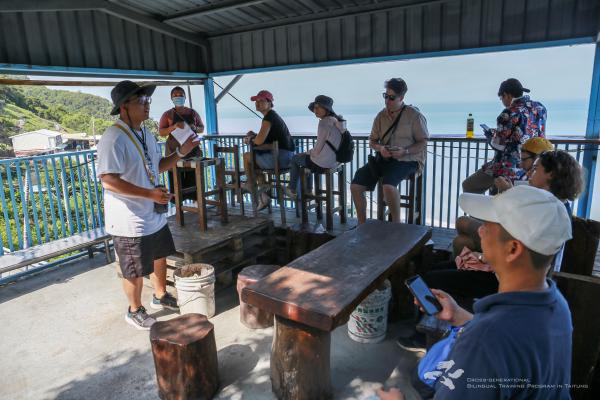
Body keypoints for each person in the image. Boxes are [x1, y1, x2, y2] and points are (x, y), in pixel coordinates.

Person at [378, 185, 573, 400]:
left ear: (513, 249)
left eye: (488, 225)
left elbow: (495, 343)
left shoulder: (483, 343)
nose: (479, 230)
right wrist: (461, 317)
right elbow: (513, 347)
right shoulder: (557, 306)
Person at [97, 81, 199, 330]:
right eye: (140, 101)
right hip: (129, 218)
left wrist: (182, 153)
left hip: (152, 211)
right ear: (124, 107)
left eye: (147, 100)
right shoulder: (113, 138)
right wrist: (149, 194)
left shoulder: (145, 133)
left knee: (160, 255)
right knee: (133, 268)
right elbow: (108, 180)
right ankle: (134, 310)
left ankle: (160, 295)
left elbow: (158, 165)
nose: (146, 105)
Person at [454, 137, 555, 256]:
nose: (521, 166)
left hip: (513, 245)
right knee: (460, 241)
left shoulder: (546, 198)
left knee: (462, 222)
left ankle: (479, 264)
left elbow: (521, 220)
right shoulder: (548, 194)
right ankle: (467, 266)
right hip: (511, 236)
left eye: (535, 169)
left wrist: (508, 193)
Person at [350, 78, 429, 224]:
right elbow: (372, 141)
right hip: (385, 159)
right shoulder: (380, 116)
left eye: (391, 97)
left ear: (401, 97)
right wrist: (380, 148)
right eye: (385, 96)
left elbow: (423, 142)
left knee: (388, 184)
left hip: (408, 160)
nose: (387, 100)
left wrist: (404, 151)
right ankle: (362, 225)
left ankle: (396, 226)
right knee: (355, 185)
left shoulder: (414, 115)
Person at [462, 78, 547, 194]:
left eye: (501, 97)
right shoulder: (540, 108)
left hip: (507, 168)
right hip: (532, 166)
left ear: (507, 95)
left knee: (469, 186)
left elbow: (499, 146)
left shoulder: (507, 113)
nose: (502, 101)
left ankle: (482, 211)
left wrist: (489, 136)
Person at [242, 90, 295, 210]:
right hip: (287, 157)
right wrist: (254, 136)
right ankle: (263, 197)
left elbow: (259, 141)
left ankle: (250, 184)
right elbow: (267, 139)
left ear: (270, 103)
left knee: (246, 156)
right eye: (256, 101)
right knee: (257, 169)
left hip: (280, 158)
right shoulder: (273, 116)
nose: (257, 103)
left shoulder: (269, 117)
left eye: (261, 101)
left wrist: (249, 139)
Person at [285, 95, 344, 199]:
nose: (315, 110)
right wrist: (308, 154)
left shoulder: (324, 122)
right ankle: (308, 191)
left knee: (295, 159)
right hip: (336, 161)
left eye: (319, 107)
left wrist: (305, 153)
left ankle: (292, 189)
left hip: (324, 163)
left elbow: (316, 151)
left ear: (326, 109)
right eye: (315, 107)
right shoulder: (335, 120)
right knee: (305, 164)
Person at [158, 86, 204, 200]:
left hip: (192, 151)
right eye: (175, 95)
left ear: (185, 97)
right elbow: (161, 132)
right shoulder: (167, 114)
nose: (178, 97)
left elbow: (201, 128)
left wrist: (195, 128)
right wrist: (173, 127)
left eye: (180, 95)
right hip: (174, 152)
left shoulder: (192, 113)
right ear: (171, 98)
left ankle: (195, 204)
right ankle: (179, 208)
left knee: (194, 179)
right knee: (176, 181)